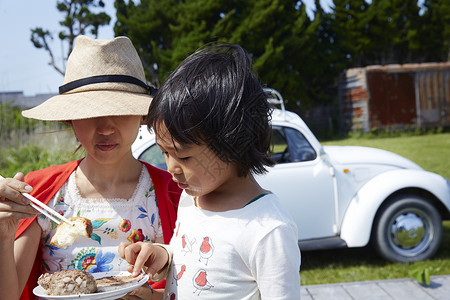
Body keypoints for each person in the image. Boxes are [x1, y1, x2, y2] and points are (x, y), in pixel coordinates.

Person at [0, 35, 181, 300]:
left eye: (120, 110)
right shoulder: (41, 194)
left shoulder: (174, 193)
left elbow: (199, 283)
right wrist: (4, 236)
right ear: (70, 119)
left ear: (143, 115)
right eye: (89, 113)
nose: (106, 127)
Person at [119, 43, 301, 299]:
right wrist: (162, 255)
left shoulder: (267, 229)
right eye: (165, 153)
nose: (171, 167)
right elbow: (189, 259)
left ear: (233, 142)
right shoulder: (190, 200)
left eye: (183, 155)